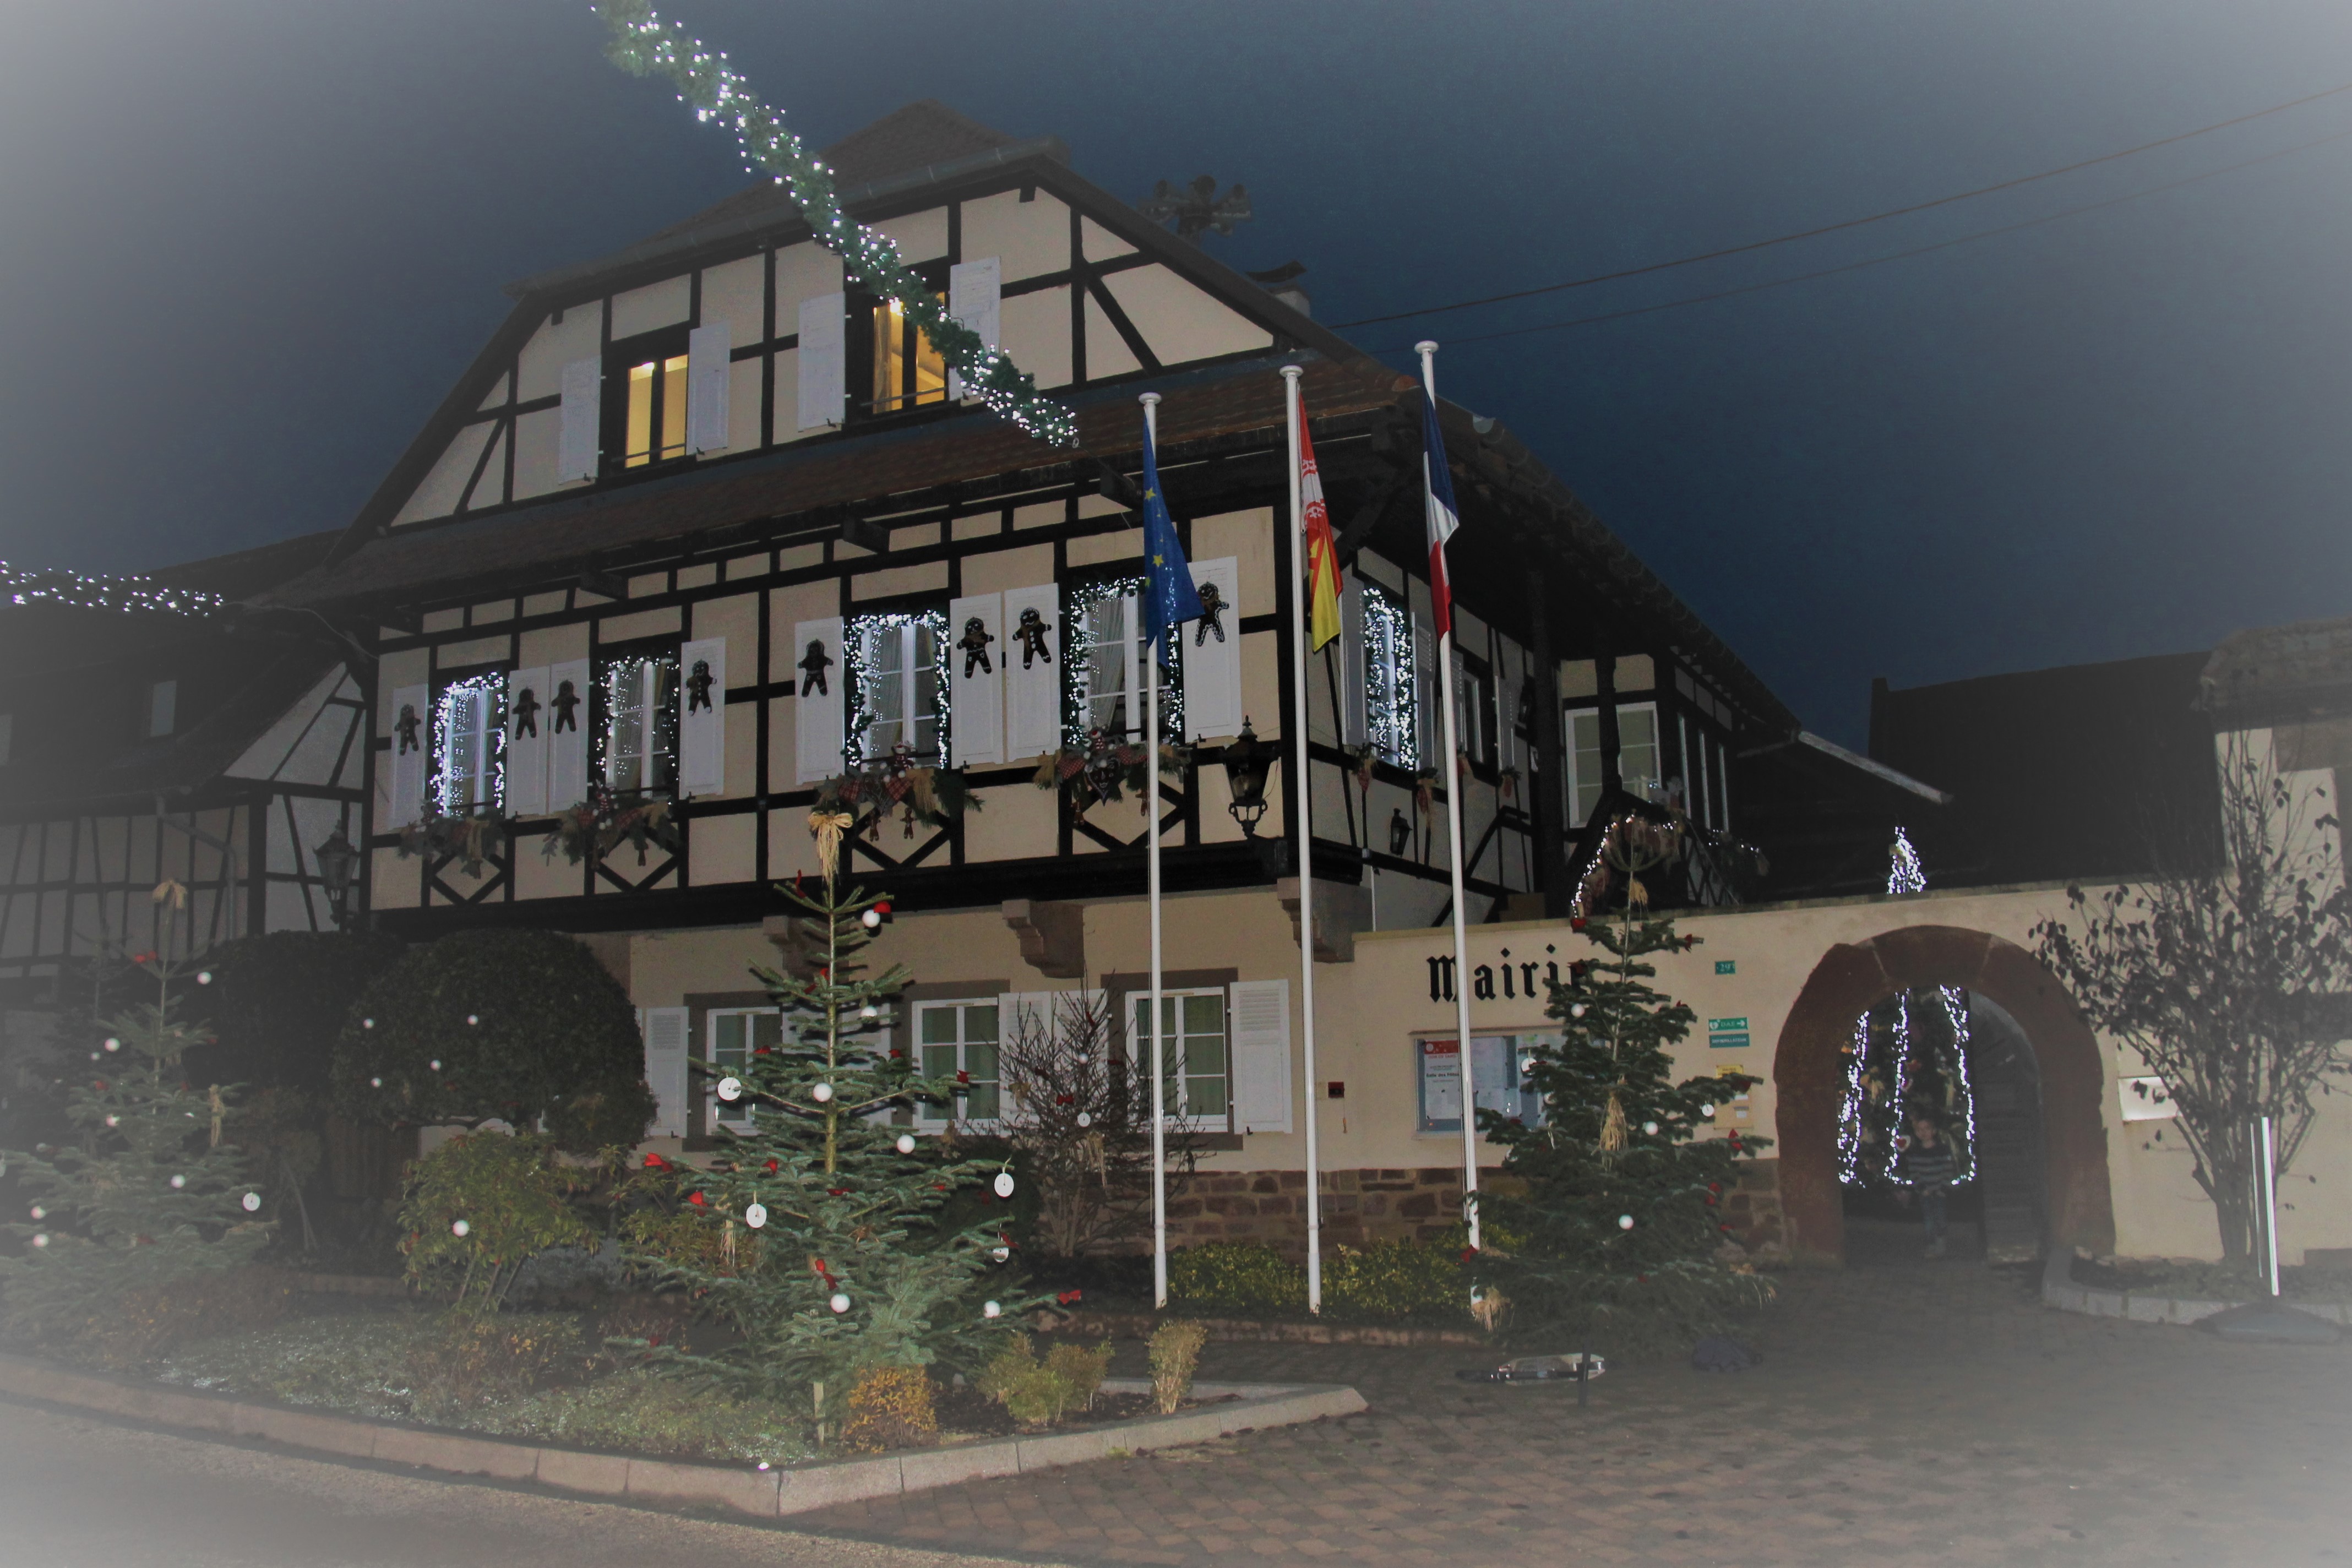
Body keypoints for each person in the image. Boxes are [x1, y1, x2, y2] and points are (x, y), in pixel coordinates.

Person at [1897, 1114, 1959, 1257]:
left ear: (1933, 1131)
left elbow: (1948, 1169)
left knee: (1941, 1218)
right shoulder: (1915, 1153)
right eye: (1920, 1130)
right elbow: (1914, 1172)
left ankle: (1940, 1243)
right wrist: (1922, 1188)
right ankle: (1931, 1245)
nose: (1923, 1132)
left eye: (1926, 1129)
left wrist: (1943, 1188)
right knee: (1929, 1220)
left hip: (1940, 1191)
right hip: (1925, 1192)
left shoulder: (1942, 1150)